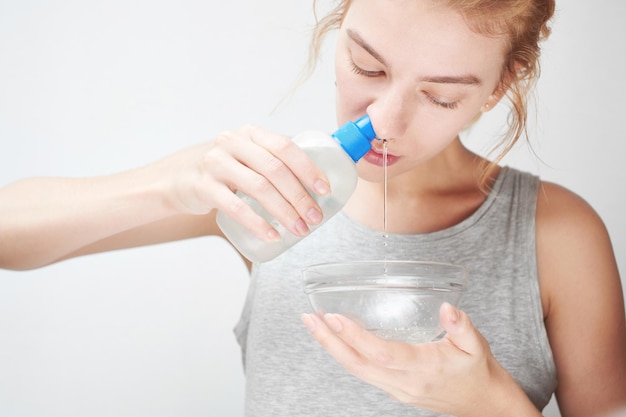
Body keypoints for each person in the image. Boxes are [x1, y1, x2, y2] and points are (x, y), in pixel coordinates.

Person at [1, 0, 625, 416]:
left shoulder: (556, 235)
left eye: (438, 97)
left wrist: (493, 403)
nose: (383, 122)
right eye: (366, 65)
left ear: (502, 84)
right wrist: (170, 182)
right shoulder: (276, 189)